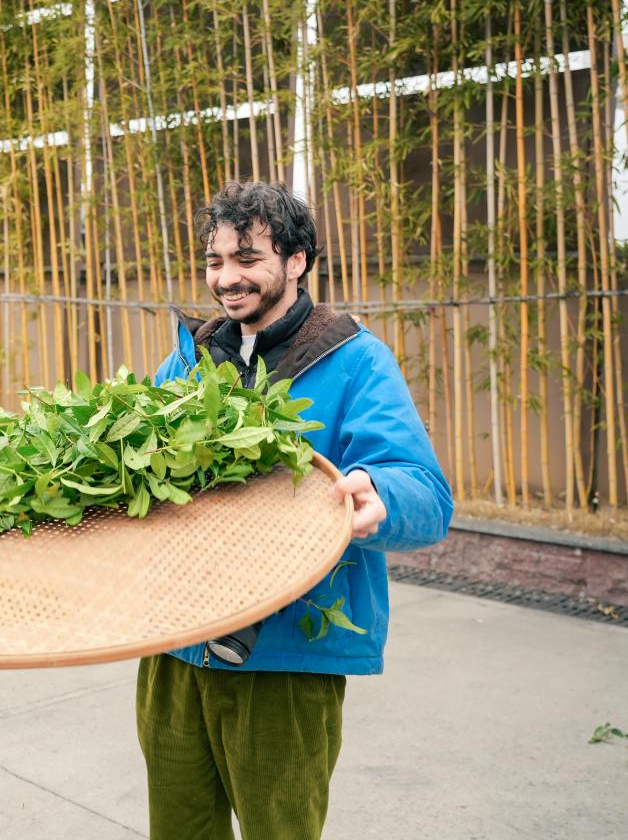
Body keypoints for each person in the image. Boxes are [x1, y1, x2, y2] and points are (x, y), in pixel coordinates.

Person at [138, 180, 453, 839]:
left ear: (297, 260)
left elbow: (426, 493)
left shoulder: (355, 360)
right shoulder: (191, 357)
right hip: (173, 652)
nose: (227, 278)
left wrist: (377, 495)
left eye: (247, 258)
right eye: (216, 260)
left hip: (284, 662)